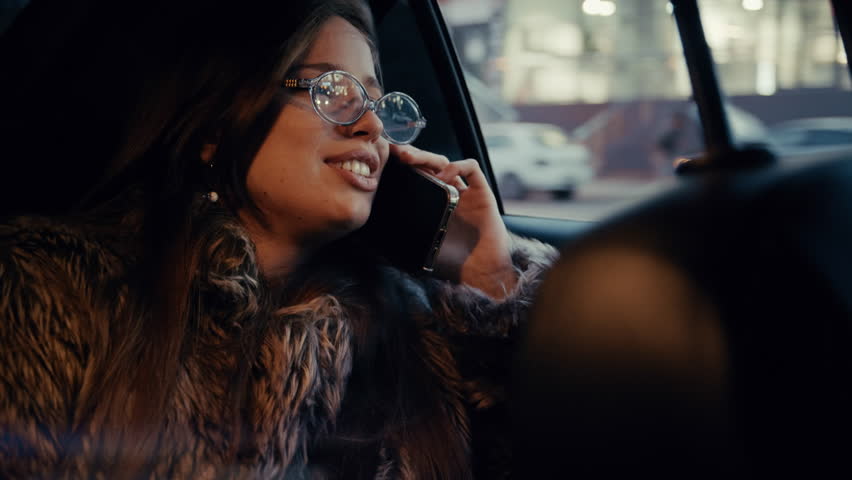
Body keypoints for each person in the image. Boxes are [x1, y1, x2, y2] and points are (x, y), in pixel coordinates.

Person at [0, 0, 557, 478]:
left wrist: (490, 277)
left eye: (378, 105)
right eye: (335, 91)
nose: (371, 128)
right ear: (216, 127)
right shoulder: (44, 291)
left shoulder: (411, 326)